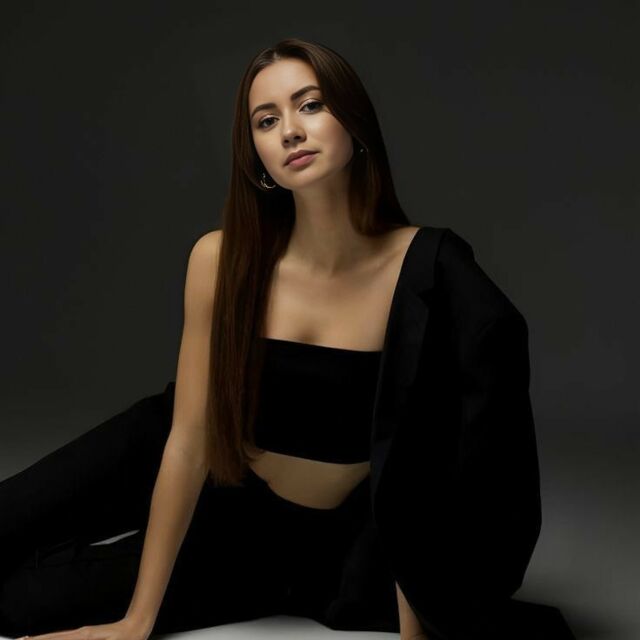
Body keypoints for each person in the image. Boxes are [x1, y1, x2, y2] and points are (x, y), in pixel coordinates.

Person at [0, 38, 575, 640]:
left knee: (21, 604)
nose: (291, 132)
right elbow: (189, 440)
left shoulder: (430, 269)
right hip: (199, 463)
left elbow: (447, 449)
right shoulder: (220, 258)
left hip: (293, 542)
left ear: (355, 122)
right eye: (267, 121)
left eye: (311, 105)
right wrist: (136, 623)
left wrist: (418, 625)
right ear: (255, 156)